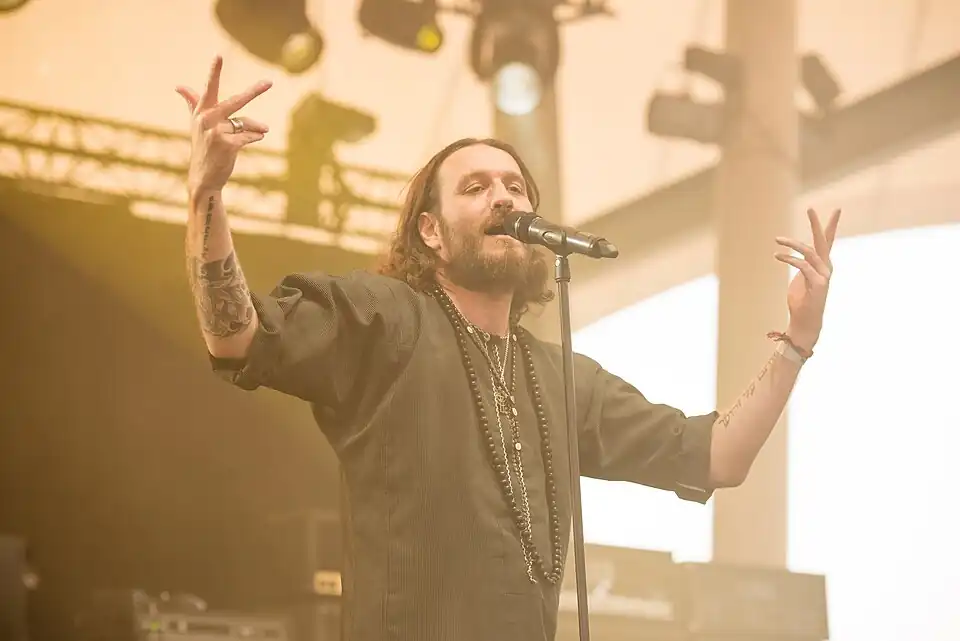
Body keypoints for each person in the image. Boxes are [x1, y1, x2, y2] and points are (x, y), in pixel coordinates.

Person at [175, 57, 841, 641]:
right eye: (476, 187)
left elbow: (718, 455)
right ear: (431, 233)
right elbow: (237, 335)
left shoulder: (563, 379)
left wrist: (796, 344)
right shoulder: (382, 317)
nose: (503, 196)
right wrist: (207, 192)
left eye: (515, 187)